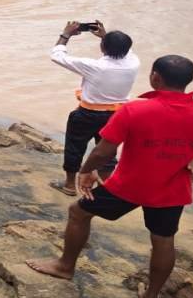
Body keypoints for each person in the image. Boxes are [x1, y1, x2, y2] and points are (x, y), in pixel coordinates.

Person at [26, 55, 193, 298]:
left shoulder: (133, 109)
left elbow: (104, 151)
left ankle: (65, 267)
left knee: (79, 212)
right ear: (188, 81)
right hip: (172, 190)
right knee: (163, 241)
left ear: (155, 78)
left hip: (127, 187)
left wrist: (86, 170)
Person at [49, 20, 139, 196]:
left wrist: (66, 34)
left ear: (103, 47)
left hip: (87, 114)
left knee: (75, 147)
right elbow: (126, 51)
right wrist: (105, 36)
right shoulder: (133, 63)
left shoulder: (95, 66)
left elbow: (57, 56)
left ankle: (69, 185)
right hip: (117, 114)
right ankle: (104, 187)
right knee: (107, 151)